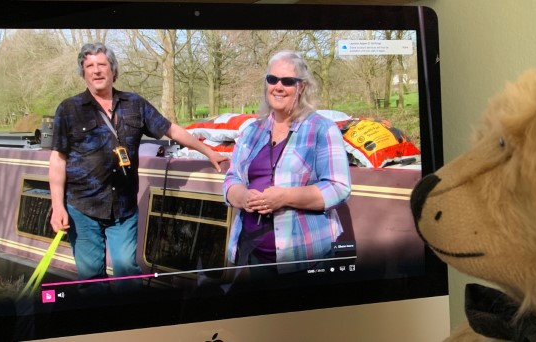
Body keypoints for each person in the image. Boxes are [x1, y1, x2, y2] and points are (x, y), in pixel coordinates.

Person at [49, 42, 227, 295]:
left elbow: (171, 129)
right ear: (83, 72)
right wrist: (57, 206)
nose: (96, 71)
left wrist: (210, 152)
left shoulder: (135, 104)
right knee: (90, 280)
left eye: (102, 65)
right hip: (82, 208)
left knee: (127, 273)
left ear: (113, 70)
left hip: (123, 208)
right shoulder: (69, 109)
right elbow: (58, 159)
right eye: (90, 66)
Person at [223, 50, 351, 276]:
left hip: (304, 258)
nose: (278, 86)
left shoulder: (322, 129)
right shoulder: (251, 131)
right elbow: (232, 178)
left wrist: (284, 197)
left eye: (288, 81)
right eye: (272, 79)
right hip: (254, 255)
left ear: (301, 86)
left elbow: (338, 188)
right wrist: (242, 197)